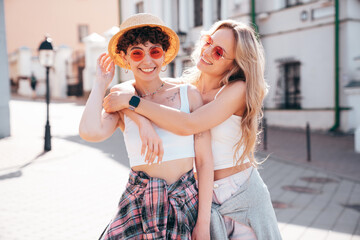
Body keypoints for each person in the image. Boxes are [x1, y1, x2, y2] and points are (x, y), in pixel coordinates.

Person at [103, 19, 282, 240]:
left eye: (218, 52)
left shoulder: (238, 90)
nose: (206, 51)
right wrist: (140, 120)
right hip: (201, 196)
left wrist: (133, 104)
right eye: (208, 42)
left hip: (239, 194)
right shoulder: (186, 88)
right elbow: (130, 89)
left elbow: (190, 124)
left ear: (234, 64)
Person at [79, 13, 213, 239]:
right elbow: (90, 132)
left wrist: (204, 222)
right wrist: (101, 82)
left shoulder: (187, 94)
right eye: (137, 53)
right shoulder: (120, 97)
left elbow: (205, 162)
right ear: (125, 57)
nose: (147, 61)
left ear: (164, 56)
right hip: (138, 204)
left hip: (183, 202)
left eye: (155, 51)